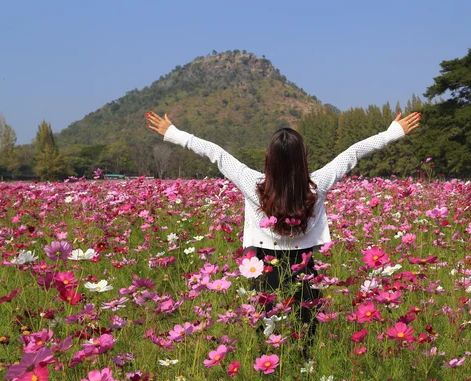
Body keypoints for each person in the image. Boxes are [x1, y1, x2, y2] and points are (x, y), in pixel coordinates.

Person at [145, 110, 421, 339]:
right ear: (302, 159)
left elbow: (215, 153)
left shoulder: (252, 183)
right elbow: (352, 154)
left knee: (267, 329)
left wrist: (174, 133)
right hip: (306, 264)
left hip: (263, 264)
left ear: (269, 159)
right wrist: (391, 133)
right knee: (306, 327)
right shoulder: (316, 184)